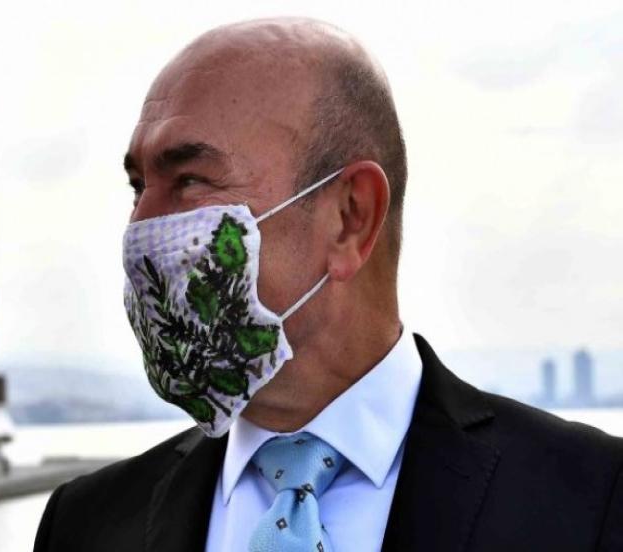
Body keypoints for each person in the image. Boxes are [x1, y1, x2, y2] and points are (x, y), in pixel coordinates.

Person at [34, 17, 623, 552]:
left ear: (350, 217)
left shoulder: (591, 500)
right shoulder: (84, 525)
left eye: (189, 180)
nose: (140, 227)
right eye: (138, 186)